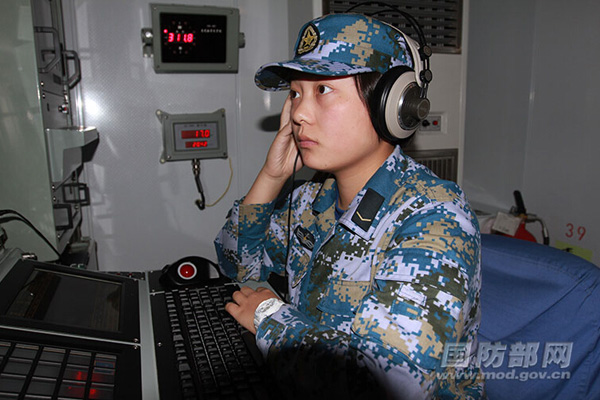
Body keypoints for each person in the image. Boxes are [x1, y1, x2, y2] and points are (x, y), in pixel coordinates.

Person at [214, 12, 484, 399]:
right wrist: (272, 176)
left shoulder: (435, 218)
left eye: (323, 90)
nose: (299, 115)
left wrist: (269, 318)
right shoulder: (313, 199)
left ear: (390, 105)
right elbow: (235, 262)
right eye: (295, 94)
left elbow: (386, 385)